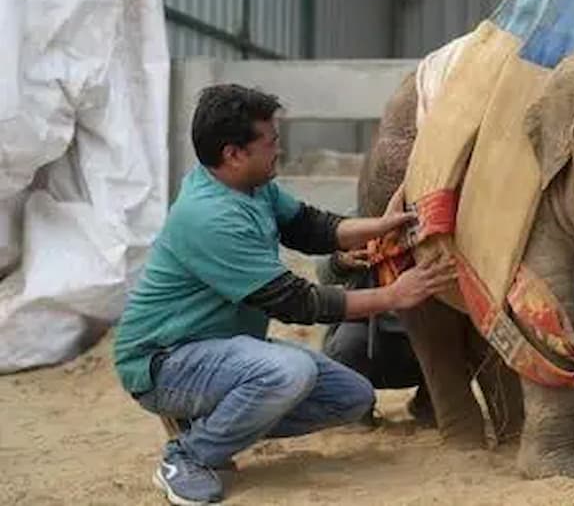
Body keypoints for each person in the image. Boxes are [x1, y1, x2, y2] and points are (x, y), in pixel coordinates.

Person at [112, 84, 457, 505]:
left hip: (224, 348)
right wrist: (395, 296)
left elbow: (312, 228)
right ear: (233, 154)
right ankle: (188, 456)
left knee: (352, 397)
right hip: (165, 360)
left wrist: (382, 225)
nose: (279, 149)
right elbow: (296, 302)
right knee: (286, 373)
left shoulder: (253, 188)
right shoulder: (211, 217)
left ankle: (200, 421)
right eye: (270, 142)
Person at [315, 250, 434, 427]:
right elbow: (324, 274)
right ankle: (357, 413)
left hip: (428, 342)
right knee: (348, 342)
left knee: (466, 339)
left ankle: (429, 406)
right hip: (370, 337)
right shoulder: (360, 228)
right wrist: (341, 261)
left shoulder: (433, 229)